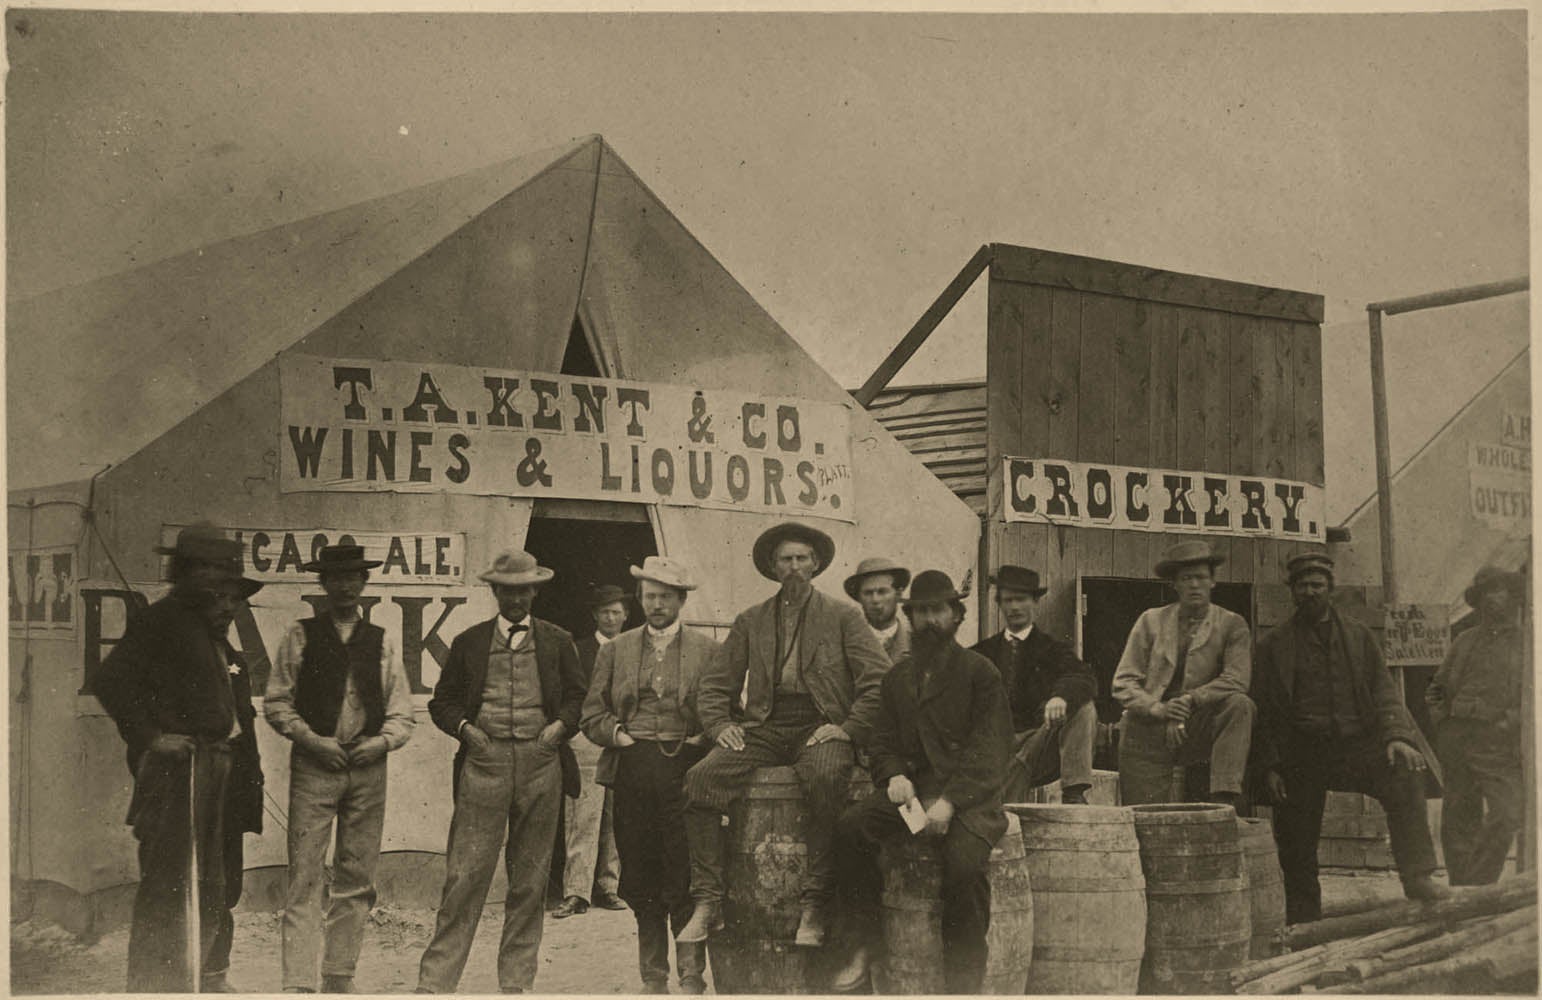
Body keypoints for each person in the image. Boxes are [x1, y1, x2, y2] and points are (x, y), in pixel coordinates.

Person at [677, 521, 890, 947]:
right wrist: (721, 726)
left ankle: (815, 902)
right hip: (767, 725)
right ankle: (708, 901)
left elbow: (879, 678)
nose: (793, 567)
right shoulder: (751, 620)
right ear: (772, 568)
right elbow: (715, 683)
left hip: (820, 723)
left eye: (801, 559)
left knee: (827, 776)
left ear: (815, 565)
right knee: (700, 780)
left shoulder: (844, 617)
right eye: (785, 560)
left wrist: (847, 728)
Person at [94, 524, 265, 993]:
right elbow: (112, 682)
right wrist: (152, 737)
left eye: (229, 578)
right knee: (169, 889)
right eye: (212, 573)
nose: (223, 589)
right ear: (187, 571)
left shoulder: (211, 627)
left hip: (211, 772)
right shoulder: (163, 620)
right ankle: (156, 988)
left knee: (206, 888)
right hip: (178, 775)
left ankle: (193, 981)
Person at [834, 570, 1012, 994]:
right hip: (912, 794)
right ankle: (867, 944)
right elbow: (882, 740)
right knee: (849, 829)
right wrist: (893, 774)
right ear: (910, 617)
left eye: (939, 610)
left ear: (956, 616)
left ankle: (963, 985)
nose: (930, 619)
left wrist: (950, 803)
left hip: (969, 798)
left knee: (963, 868)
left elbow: (991, 752)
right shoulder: (898, 677)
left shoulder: (980, 672)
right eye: (922, 611)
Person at [416, 550, 586, 994]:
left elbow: (578, 698)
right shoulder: (469, 642)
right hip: (484, 764)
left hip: (541, 764)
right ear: (495, 591)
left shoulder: (557, 640)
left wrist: (558, 729)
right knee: (465, 877)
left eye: (523, 590)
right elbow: (442, 701)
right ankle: (435, 986)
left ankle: (515, 985)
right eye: (507, 590)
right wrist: (467, 730)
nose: (516, 598)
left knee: (530, 882)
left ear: (535, 590)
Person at [1253, 551, 1448, 922]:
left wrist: (1397, 738)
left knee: (1404, 776)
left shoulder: (1358, 636)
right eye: (1302, 586)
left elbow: (1383, 690)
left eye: (1317, 585)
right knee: (1295, 835)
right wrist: (1270, 766)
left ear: (1330, 588)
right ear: (1292, 592)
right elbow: (1263, 711)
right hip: (1301, 752)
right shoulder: (1273, 645)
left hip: (1355, 747)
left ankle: (1419, 876)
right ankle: (1304, 918)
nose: (1309, 592)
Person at [264, 544, 417, 993]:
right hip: (315, 768)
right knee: (305, 874)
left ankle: (339, 975)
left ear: (365, 583)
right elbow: (277, 703)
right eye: (336, 577)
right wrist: (313, 740)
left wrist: (381, 743)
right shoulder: (300, 635)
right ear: (323, 584)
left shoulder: (382, 639)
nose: (346, 585)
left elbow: (402, 711)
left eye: (354, 577)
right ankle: (298, 983)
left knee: (357, 876)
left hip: (368, 770)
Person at [582, 557, 719, 994]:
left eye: (665, 597)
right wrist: (618, 736)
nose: (656, 605)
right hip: (634, 767)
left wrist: (703, 736)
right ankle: (653, 979)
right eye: (649, 597)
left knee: (684, 873)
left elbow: (725, 709)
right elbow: (591, 714)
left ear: (681, 600)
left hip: (687, 769)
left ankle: (692, 977)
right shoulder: (615, 649)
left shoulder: (708, 650)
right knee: (641, 874)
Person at [1113, 540, 1254, 806]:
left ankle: (1224, 798)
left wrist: (1189, 700)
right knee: (1145, 818)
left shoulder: (1232, 624)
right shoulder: (1150, 621)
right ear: (1174, 584)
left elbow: (1237, 679)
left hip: (1199, 726)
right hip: (1149, 726)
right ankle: (1143, 814)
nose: (1194, 585)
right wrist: (1158, 709)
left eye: (1201, 577)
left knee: (1240, 705)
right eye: (1186, 578)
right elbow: (1123, 682)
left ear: (1213, 582)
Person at [1425, 566, 1527, 886]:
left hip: (1497, 741)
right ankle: (1462, 893)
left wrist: (1508, 723)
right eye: (1485, 592)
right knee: (1458, 817)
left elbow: (1532, 695)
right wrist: (1443, 724)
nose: (1492, 598)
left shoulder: (1527, 642)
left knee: (1508, 812)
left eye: (1499, 590)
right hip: (1457, 738)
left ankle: (1476, 886)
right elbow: (1436, 689)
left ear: (1513, 597)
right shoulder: (1465, 640)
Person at [971, 565, 1097, 804]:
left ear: (1035, 602)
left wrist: (1060, 697)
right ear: (999, 603)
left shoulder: (1052, 650)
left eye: (1021, 599)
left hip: (1036, 746)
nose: (1014, 607)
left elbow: (1083, 677)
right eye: (1008, 600)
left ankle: (1074, 793)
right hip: (992, 752)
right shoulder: (982, 653)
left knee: (1083, 708)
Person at [553, 584, 627, 918]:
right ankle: (577, 893)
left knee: (618, 815)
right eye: (605, 612)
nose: (611, 617)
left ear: (625, 615)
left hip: (626, 739)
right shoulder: (577, 649)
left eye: (617, 611)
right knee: (584, 816)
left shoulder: (634, 649)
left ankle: (609, 888)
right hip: (588, 739)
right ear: (595, 615)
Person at [843, 556, 912, 664]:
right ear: (859, 598)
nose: (875, 600)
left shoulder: (916, 642)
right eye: (868, 593)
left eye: (882, 592)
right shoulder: (847, 643)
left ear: (898, 594)